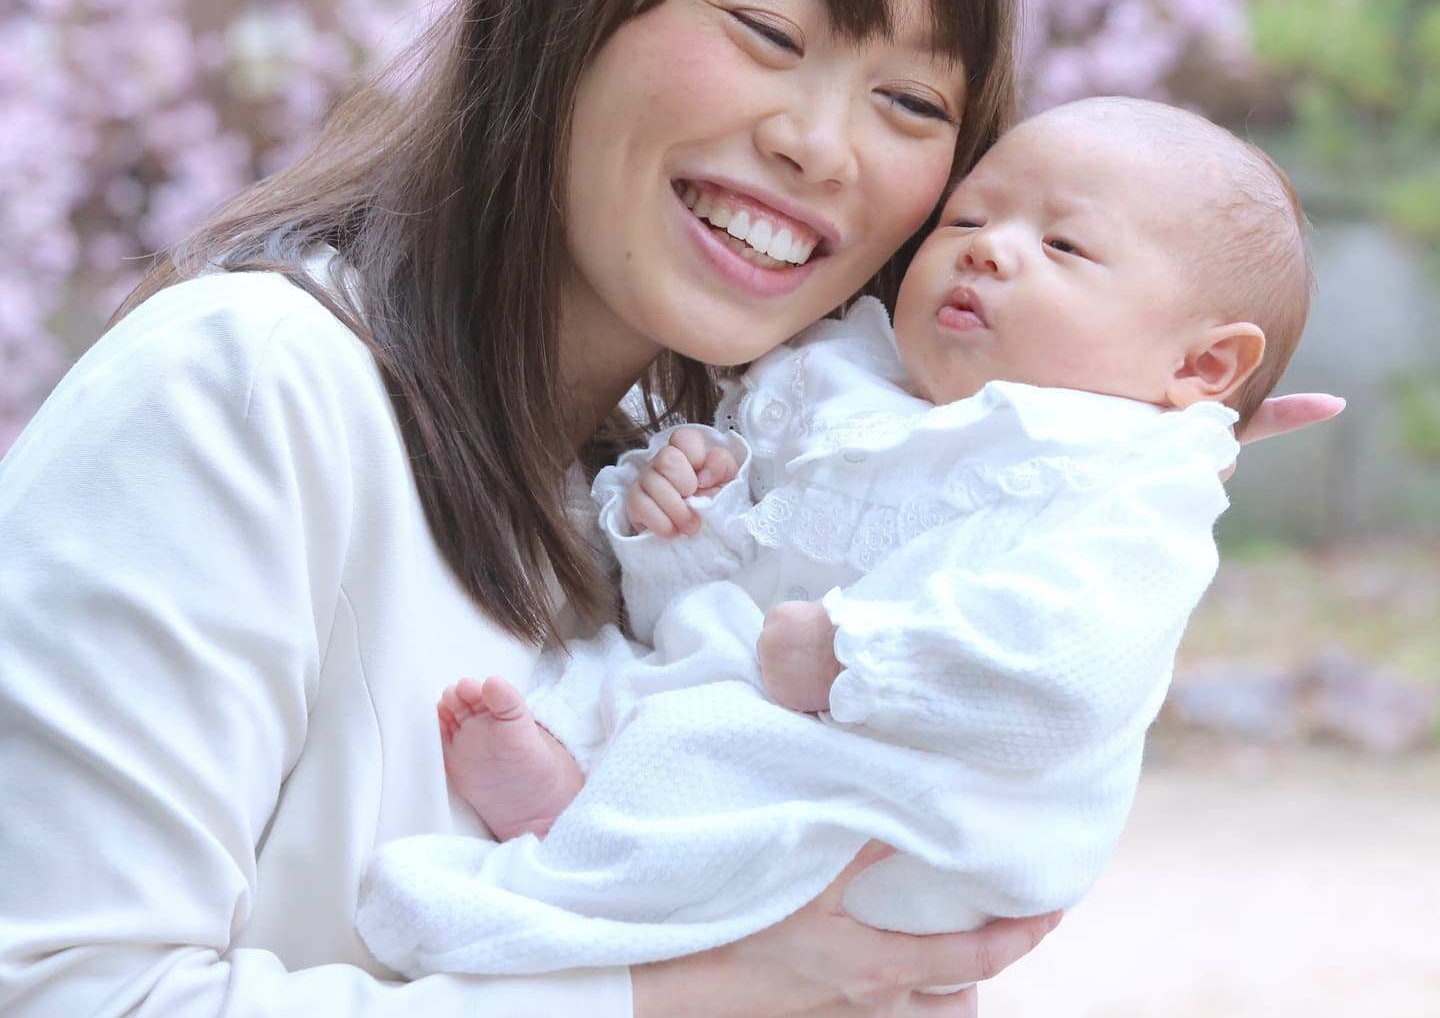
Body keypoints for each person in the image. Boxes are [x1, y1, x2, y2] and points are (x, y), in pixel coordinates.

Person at [0, 0, 1335, 1018]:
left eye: (914, 101)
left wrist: (1090, 456)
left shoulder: (679, 494)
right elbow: (63, 992)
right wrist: (679, 995)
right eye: (767, 32)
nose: (823, 143)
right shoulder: (242, 391)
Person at [355, 97, 1314, 979]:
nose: (986, 250)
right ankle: (585, 809)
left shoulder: (1127, 480)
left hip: (934, 796)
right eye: (968, 219)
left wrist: (855, 659)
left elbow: (1065, 672)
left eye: (1063, 245)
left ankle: (539, 908)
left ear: (1204, 363)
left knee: (717, 744)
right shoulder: (846, 382)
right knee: (621, 667)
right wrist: (689, 525)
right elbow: (714, 612)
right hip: (784, 704)